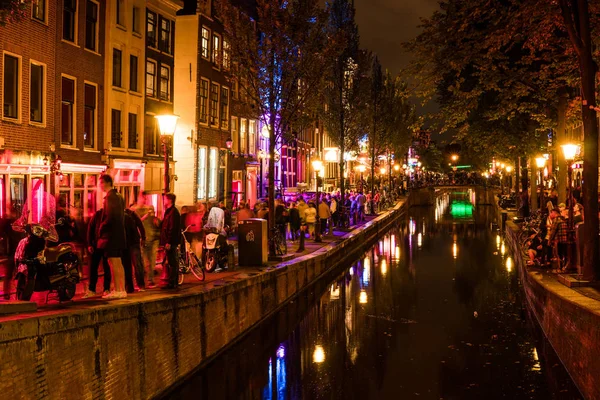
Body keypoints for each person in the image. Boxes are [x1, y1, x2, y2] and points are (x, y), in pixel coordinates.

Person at [97, 174, 127, 299]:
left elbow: (109, 217)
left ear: (106, 183)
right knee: (118, 262)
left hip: (112, 235)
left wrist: (101, 227)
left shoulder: (110, 198)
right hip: (119, 234)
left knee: (113, 262)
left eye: (101, 183)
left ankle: (118, 289)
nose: (100, 186)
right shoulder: (119, 196)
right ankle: (121, 289)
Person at [83, 209, 112, 298]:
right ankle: (94, 289)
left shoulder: (101, 215)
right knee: (95, 267)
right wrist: (89, 244)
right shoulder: (98, 215)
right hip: (97, 244)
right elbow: (90, 228)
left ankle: (105, 288)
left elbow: (90, 228)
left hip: (105, 244)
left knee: (105, 267)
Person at [160, 193, 181, 289]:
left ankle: (172, 283)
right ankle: (172, 282)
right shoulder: (169, 212)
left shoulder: (173, 213)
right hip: (169, 241)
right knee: (172, 261)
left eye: (165, 199)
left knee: (172, 262)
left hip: (170, 242)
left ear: (169, 200)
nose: (164, 201)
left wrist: (168, 241)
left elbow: (172, 228)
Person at [123, 208, 146, 292]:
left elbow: (140, 225)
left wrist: (143, 238)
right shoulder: (131, 214)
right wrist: (143, 237)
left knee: (134, 264)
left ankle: (138, 285)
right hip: (129, 242)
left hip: (131, 242)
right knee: (133, 264)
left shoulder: (131, 214)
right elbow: (140, 225)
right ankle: (134, 286)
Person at [141, 206, 160, 287]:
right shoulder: (144, 219)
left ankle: (150, 280)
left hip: (151, 242)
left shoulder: (155, 219)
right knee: (148, 262)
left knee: (149, 262)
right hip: (147, 242)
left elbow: (160, 230)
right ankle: (149, 280)